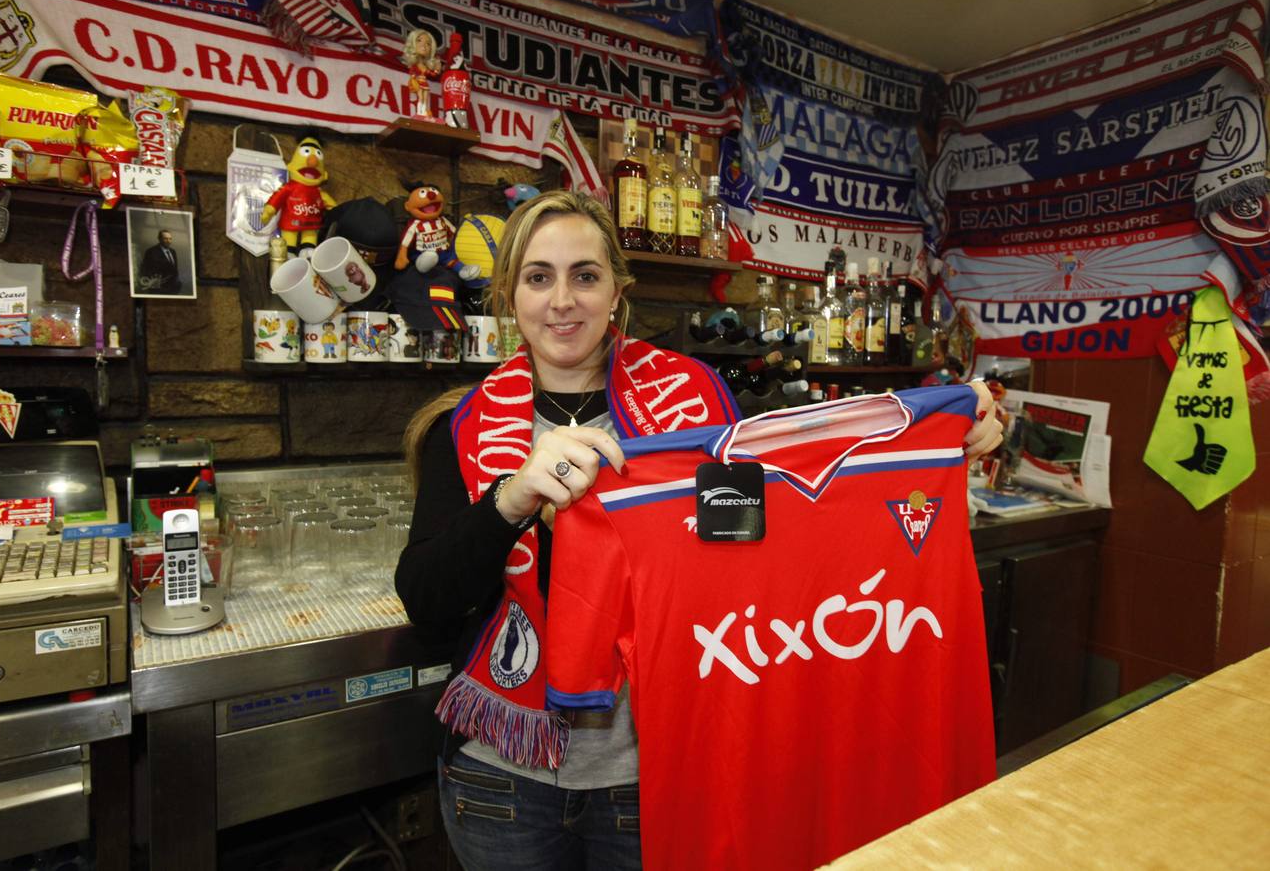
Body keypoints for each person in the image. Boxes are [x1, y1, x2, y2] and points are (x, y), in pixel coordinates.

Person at [396, 191, 1003, 870]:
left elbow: (748, 538)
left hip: (652, 774)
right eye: (539, 277)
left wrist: (940, 434)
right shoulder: (467, 427)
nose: (562, 300)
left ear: (617, 292)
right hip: (502, 781)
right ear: (510, 295)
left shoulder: (695, 407)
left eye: (585, 276)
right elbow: (426, 599)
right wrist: (511, 500)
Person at [138, 229, 181, 294]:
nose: (168, 241)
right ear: (159, 239)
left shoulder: (173, 251)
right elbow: (145, 269)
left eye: (170, 239)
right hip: (158, 288)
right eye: (165, 239)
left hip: (173, 287)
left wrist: (177, 281)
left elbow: (175, 268)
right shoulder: (151, 252)